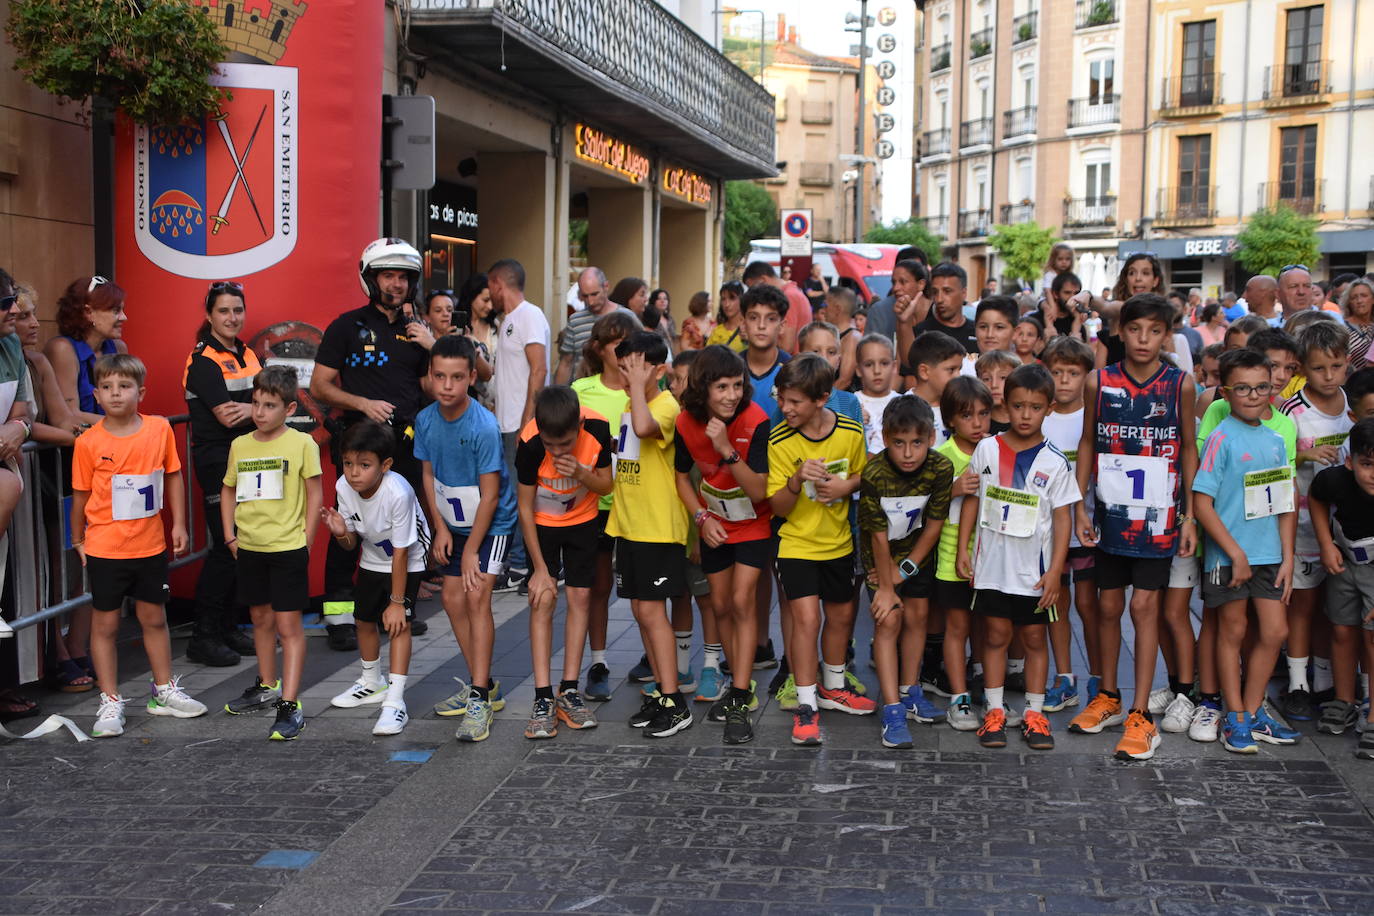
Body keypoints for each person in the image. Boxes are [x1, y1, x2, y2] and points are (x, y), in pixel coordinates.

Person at [1073, 293, 1198, 761]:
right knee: (1108, 607)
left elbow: (1188, 447)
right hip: (1110, 514)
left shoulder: (1180, 384)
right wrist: (1079, 505)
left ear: (1167, 335)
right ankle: (1108, 696)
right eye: (1135, 329)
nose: (1144, 339)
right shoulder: (1098, 380)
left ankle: (1141, 714)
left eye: (1154, 331)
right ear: (1121, 332)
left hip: (1159, 517)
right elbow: (1088, 441)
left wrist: (1189, 515)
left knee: (1144, 608)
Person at [71, 353, 205, 738]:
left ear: (141, 392)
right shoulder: (88, 442)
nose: (116, 393)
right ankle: (110, 699)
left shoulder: (159, 429)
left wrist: (179, 524)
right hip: (105, 547)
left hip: (149, 545)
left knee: (154, 618)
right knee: (106, 624)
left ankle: (163, 691)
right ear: (96, 395)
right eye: (107, 387)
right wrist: (77, 538)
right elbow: (80, 495)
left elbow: (173, 475)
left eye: (124, 386)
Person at [311, 238, 431, 649]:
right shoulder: (345, 326)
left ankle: (393, 609)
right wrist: (363, 403)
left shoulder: (417, 332)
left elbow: (434, 385)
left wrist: (433, 345)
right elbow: (319, 386)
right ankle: (339, 617)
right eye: (388, 276)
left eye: (404, 277)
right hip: (359, 448)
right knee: (348, 530)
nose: (397, 284)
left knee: (402, 531)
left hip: (405, 447)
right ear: (370, 279)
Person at [957, 364, 1078, 751]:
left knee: (1033, 638)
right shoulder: (987, 449)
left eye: (1035, 407)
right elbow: (973, 499)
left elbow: (1063, 519)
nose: (1026, 415)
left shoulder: (1056, 462)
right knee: (995, 635)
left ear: (1049, 409)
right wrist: (962, 549)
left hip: (1034, 572)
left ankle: (1034, 713)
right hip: (992, 567)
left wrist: (1056, 571)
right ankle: (994, 710)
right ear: (1005, 405)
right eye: (1018, 406)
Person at [1194, 348, 1301, 753]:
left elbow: (1285, 503)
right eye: (1243, 388)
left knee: (1275, 631)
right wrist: (1234, 553)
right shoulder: (1220, 438)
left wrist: (1288, 556)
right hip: (1229, 558)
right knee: (1233, 631)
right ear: (1225, 392)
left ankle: (1254, 712)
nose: (1253, 395)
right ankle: (1234, 716)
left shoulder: (1276, 440)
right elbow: (1202, 503)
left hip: (1269, 555)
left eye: (1261, 387)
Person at [415, 335, 520, 742]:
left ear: (472, 377)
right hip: (453, 524)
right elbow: (427, 474)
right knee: (451, 598)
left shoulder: (483, 426)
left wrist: (472, 549)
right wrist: (439, 527)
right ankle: (484, 682)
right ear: (430, 375)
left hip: (491, 525)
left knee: (477, 596)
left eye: (457, 377)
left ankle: (479, 698)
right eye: (439, 376)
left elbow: (491, 495)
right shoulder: (425, 420)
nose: (447, 385)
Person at [767, 354, 871, 746]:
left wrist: (847, 486)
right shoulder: (779, 440)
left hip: (839, 543)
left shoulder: (849, 430)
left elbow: (863, 473)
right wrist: (796, 480)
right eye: (782, 399)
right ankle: (806, 703)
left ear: (822, 399)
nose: (786, 408)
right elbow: (777, 507)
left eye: (795, 401)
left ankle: (834, 687)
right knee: (807, 620)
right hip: (796, 545)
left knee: (841, 617)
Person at [674, 345, 773, 744]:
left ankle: (739, 695)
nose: (732, 395)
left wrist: (726, 450)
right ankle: (739, 684)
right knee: (720, 605)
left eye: (737, 385)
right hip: (715, 523)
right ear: (703, 389)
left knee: (741, 600)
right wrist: (701, 517)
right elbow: (681, 478)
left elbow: (760, 491)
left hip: (754, 522)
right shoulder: (685, 421)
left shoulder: (756, 419)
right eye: (722, 387)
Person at [220, 365, 322, 740]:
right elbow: (229, 488)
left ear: (289, 409)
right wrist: (229, 536)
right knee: (260, 618)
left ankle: (290, 704)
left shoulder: (302, 444)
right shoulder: (240, 445)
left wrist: (307, 540)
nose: (260, 412)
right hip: (250, 546)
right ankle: (267, 685)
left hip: (287, 547)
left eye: (270, 406)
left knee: (288, 626)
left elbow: (314, 493)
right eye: (256, 403)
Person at [607, 331, 693, 738]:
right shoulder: (633, 402)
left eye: (635, 369)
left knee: (654, 613)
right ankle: (661, 691)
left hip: (658, 529)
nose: (626, 376)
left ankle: (675, 702)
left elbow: (644, 429)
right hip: (631, 525)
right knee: (642, 611)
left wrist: (640, 388)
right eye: (622, 368)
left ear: (658, 371)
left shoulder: (666, 407)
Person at [514, 386, 614, 739]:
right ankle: (542, 696)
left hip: (582, 520)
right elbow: (524, 506)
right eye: (550, 444)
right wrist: (540, 570)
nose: (556, 452)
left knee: (581, 598)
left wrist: (582, 473)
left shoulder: (598, 428)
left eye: (565, 443)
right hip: (541, 524)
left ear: (580, 425)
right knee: (542, 598)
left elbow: (607, 486)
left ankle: (568, 690)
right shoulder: (529, 442)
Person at [322, 421, 430, 736]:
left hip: (408, 559)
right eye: (348, 463)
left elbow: (401, 552)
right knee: (363, 620)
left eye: (364, 465)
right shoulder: (343, 487)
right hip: (372, 555)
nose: (354, 472)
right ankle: (371, 682)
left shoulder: (399, 492)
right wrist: (341, 534)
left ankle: (395, 702)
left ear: (385, 465)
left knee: (399, 624)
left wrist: (396, 602)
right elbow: (351, 543)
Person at [859, 396, 953, 748]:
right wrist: (887, 586)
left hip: (917, 555)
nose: (908, 453)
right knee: (889, 620)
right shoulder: (874, 474)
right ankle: (892, 708)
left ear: (931, 438)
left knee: (918, 617)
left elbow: (935, 524)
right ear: (885, 439)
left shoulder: (941, 469)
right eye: (899, 443)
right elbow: (877, 535)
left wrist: (908, 568)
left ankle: (910, 691)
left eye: (917, 442)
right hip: (879, 557)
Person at [182, 280, 261, 666]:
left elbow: (270, 402)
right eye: (224, 311)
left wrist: (255, 409)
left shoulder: (248, 353)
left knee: (242, 546)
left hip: (248, 460)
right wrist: (260, 410)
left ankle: (228, 627)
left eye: (238, 310)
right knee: (225, 546)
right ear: (210, 315)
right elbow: (228, 417)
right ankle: (203, 636)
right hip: (217, 462)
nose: (232, 317)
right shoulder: (203, 361)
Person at [1277, 319, 1352, 722]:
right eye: (1319, 368)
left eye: (1336, 366)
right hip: (1303, 526)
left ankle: (1326, 681)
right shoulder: (1293, 411)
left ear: (1347, 362)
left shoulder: (1354, 407)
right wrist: (1304, 455)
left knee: (1333, 607)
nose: (1328, 376)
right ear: (1303, 367)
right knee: (1302, 606)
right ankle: (1298, 684)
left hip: (1346, 527)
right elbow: (1277, 459)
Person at [571, 311, 639, 699]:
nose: (623, 350)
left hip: (636, 503)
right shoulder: (581, 390)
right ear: (599, 349)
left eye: (629, 343)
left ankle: (654, 658)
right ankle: (598, 663)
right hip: (594, 503)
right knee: (597, 586)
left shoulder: (645, 390)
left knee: (643, 589)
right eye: (616, 343)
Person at [1039, 336, 1099, 714]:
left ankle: (1099, 678)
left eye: (1073, 373)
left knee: (1090, 605)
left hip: (1088, 527)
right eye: (1056, 372)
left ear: (1087, 376)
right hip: (1049, 530)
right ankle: (1064, 678)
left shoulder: (1092, 416)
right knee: (1056, 602)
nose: (1063, 380)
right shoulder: (1039, 416)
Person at [1309, 417, 1374, 754]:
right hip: (1345, 561)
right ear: (1350, 461)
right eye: (1367, 464)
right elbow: (1316, 496)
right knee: (1342, 629)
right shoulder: (1334, 480)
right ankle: (1344, 699)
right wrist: (1325, 542)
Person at [932, 377, 992, 729]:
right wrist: (952, 489)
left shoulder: (995, 450)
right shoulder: (942, 457)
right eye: (967, 415)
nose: (977, 423)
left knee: (986, 625)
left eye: (984, 414)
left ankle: (988, 690)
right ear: (951, 419)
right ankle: (959, 698)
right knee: (957, 626)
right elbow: (925, 507)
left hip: (991, 556)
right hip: (952, 555)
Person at [490, 259, 550, 591]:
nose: (489, 293)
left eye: (490, 286)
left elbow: (539, 369)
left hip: (520, 423)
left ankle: (521, 565)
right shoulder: (508, 321)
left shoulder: (529, 315)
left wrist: (528, 420)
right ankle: (519, 563)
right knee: (511, 494)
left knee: (518, 495)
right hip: (506, 423)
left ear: (498, 284)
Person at [45, 276, 128, 426]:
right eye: (116, 311)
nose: (124, 317)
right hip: (77, 439)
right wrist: (128, 425)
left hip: (113, 436)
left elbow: (126, 405)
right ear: (88, 312)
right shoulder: (62, 349)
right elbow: (70, 415)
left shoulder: (118, 347)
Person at [556, 267, 638, 384]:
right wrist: (559, 393)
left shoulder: (627, 317)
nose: (590, 301)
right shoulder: (575, 321)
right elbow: (566, 363)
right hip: (583, 390)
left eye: (594, 294)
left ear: (606, 287)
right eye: (585, 296)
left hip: (620, 389)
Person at [741, 284, 791, 423]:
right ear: (743, 324)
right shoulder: (729, 368)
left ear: (782, 326)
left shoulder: (792, 370)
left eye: (771, 319)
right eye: (753, 317)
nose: (761, 325)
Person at [906, 330, 967, 446]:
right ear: (924, 372)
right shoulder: (902, 409)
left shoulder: (959, 405)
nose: (958, 376)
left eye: (959, 369)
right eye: (951, 370)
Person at [742, 261, 811, 354]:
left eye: (752, 288)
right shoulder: (792, 292)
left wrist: (754, 336)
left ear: (763, 280)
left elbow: (786, 346)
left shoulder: (788, 296)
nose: (754, 294)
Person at [913, 263, 978, 356]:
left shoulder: (979, 334)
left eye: (947, 291)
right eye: (935, 292)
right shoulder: (920, 334)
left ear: (963, 293)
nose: (939, 299)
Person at [457, 273, 498, 411]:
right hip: (469, 400)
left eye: (492, 301)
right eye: (485, 300)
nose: (490, 306)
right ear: (472, 296)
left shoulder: (495, 325)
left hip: (497, 402)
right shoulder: (460, 328)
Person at [854, 334, 900, 456]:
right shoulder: (850, 403)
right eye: (869, 364)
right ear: (858, 369)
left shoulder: (903, 404)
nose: (877, 371)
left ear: (894, 367)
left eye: (884, 363)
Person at [824, 286, 862, 391]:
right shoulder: (839, 335)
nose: (823, 310)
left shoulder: (852, 338)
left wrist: (822, 399)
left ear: (837, 309)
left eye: (826, 306)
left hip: (844, 399)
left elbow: (844, 381)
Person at [975, 350, 1019, 435]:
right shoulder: (975, 424)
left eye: (1003, 377)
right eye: (986, 379)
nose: (994, 385)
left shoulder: (1029, 421)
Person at [1037, 272, 1086, 340]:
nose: (1073, 297)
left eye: (1076, 293)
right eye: (1067, 293)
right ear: (1055, 294)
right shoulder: (1037, 320)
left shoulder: (1078, 323)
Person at [1341, 277, 1374, 371]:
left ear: (1373, 299)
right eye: (1354, 297)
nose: (1359, 301)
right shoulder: (1341, 327)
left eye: (1364, 295)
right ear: (1349, 303)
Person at [707, 281, 747, 353]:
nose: (727, 304)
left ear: (742, 299)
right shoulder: (717, 331)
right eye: (723, 299)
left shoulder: (749, 328)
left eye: (732, 298)